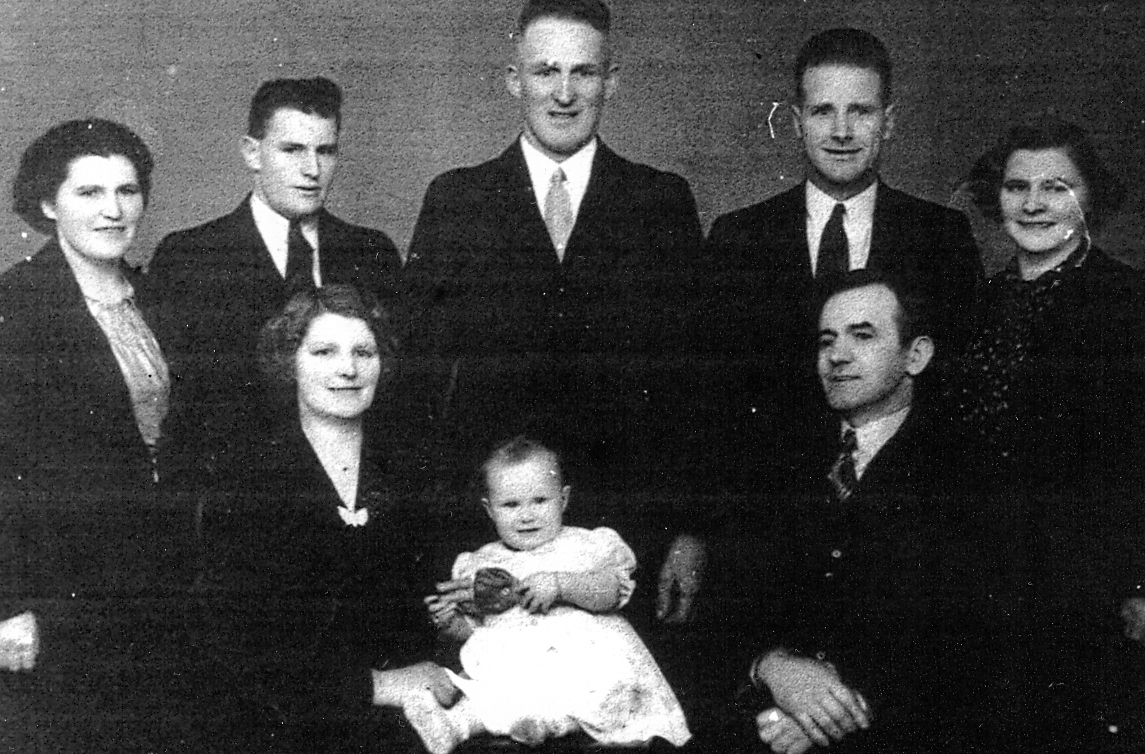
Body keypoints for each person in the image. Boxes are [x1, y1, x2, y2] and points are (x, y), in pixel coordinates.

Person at [404, 0, 704, 501]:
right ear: (513, 80)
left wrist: (687, 532)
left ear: (610, 82)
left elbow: (694, 385)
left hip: (628, 517)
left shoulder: (661, 203)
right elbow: (417, 382)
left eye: (584, 73)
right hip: (488, 522)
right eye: (545, 72)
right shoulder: (457, 200)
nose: (564, 93)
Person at [702, 27, 983, 491]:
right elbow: (713, 398)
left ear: (888, 121)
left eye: (861, 111)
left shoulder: (941, 237)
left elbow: (954, 388)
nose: (841, 132)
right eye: (822, 112)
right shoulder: (739, 238)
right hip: (764, 503)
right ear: (796, 122)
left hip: (900, 505)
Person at [721, 271, 987, 754]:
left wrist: (830, 715)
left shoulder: (968, 474)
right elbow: (729, 607)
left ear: (916, 355)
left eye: (862, 336)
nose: (837, 356)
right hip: (761, 721)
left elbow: (974, 650)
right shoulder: (779, 461)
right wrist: (772, 666)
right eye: (827, 341)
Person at [194, 284, 458, 753]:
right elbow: (237, 647)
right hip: (285, 727)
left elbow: (428, 607)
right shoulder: (247, 480)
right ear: (288, 362)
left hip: (412, 716)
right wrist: (374, 685)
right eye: (323, 351)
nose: (348, 369)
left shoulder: (412, 470)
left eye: (364, 351)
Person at [0, 118, 194, 752]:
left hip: (165, 587)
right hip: (60, 596)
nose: (114, 210)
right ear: (48, 204)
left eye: (128, 191)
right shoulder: (16, 305)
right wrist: (8, 603)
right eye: (90, 193)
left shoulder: (162, 297)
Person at [951, 120, 1145, 751]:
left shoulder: (1127, 302)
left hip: (1088, 593)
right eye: (1016, 187)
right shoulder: (977, 304)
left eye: (1056, 187)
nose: (1033, 204)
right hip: (981, 586)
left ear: (1090, 199)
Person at [149, 76, 403, 488]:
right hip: (235, 500)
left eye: (326, 151)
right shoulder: (189, 258)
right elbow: (181, 411)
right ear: (252, 153)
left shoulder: (372, 253)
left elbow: (394, 400)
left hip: (351, 493)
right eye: (292, 150)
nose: (312, 170)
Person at [422, 436, 691, 753]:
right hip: (517, 662)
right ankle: (458, 725)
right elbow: (474, 632)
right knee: (490, 687)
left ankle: (551, 722)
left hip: (583, 658)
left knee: (595, 688)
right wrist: (450, 621)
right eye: (511, 505)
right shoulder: (480, 563)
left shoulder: (585, 544)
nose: (526, 515)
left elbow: (611, 592)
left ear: (563, 499)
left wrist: (562, 585)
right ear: (489, 509)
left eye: (540, 501)